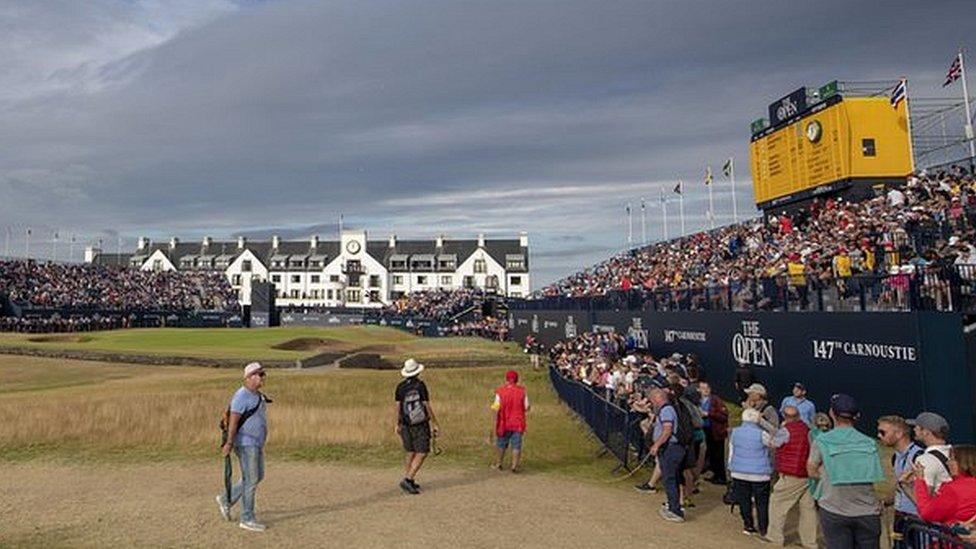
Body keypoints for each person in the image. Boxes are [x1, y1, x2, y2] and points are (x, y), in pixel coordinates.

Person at [806, 394, 884, 549]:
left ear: (831, 413)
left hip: (834, 509)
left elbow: (811, 470)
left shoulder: (822, 440)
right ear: (857, 416)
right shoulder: (869, 443)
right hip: (867, 511)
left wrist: (827, 478)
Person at [217, 362, 270, 532]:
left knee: (257, 476)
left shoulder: (257, 395)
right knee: (251, 480)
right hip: (246, 444)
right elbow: (233, 423)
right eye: (259, 374)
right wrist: (229, 443)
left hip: (256, 443)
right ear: (249, 378)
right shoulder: (241, 396)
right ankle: (247, 518)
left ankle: (226, 499)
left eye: (262, 374)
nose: (262, 378)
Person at [766, 405, 818, 548]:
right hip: (807, 472)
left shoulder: (785, 431)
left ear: (784, 416)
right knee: (808, 508)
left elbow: (773, 444)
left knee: (777, 503)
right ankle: (809, 542)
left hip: (791, 473)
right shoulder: (807, 429)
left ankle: (774, 537)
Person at [395, 358, 440, 495]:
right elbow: (426, 405)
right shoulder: (420, 386)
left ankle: (409, 477)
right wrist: (435, 422)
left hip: (405, 423)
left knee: (410, 451)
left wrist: (396, 423)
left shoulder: (400, 387)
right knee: (422, 452)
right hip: (420, 423)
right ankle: (408, 479)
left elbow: (398, 407)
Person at [876, 415, 923, 548]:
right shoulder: (895, 457)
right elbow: (899, 488)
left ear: (899, 434)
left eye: (883, 432)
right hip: (900, 517)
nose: (879, 435)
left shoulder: (919, 457)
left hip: (916, 520)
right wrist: (886, 502)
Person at [728, 408, 774, 538]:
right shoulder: (762, 434)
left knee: (744, 500)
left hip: (738, 472)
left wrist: (731, 468)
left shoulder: (735, 432)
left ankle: (748, 525)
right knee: (762, 502)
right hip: (760, 474)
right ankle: (763, 528)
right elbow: (772, 445)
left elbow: (731, 451)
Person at [648, 388, 686, 523]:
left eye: (652, 399)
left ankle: (675, 510)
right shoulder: (668, 409)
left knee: (670, 479)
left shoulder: (666, 410)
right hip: (671, 448)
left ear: (657, 398)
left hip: (671, 448)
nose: (652, 402)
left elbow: (667, 430)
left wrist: (656, 444)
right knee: (671, 478)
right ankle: (673, 505)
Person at [913, 444, 976, 525]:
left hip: (956, 536)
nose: (947, 463)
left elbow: (926, 514)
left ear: (963, 463)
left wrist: (920, 481)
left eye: (952, 459)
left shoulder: (952, 489)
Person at [491, 370, 530, 472]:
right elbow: (527, 407)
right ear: (517, 380)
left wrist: (495, 419)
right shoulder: (522, 391)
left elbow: (496, 407)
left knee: (501, 444)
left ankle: (499, 463)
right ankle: (514, 466)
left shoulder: (500, 392)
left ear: (506, 379)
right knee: (516, 445)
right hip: (518, 422)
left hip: (504, 422)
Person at [907, 412, 953, 495]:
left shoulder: (925, 460)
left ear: (926, 432)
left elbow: (924, 499)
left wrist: (905, 486)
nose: (913, 429)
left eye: (916, 427)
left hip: (940, 507)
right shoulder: (957, 454)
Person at [698, 381, 729, 484]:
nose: (705, 390)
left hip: (716, 430)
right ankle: (715, 474)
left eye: (707, 388)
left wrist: (708, 414)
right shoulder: (699, 400)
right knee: (711, 453)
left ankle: (721, 477)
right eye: (703, 388)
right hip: (706, 430)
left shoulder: (716, 400)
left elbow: (724, 416)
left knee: (718, 454)